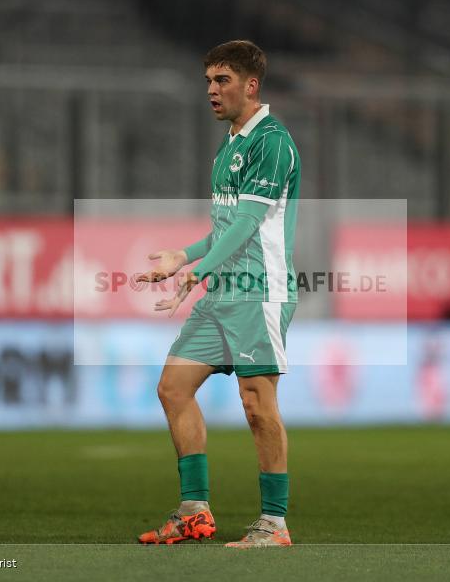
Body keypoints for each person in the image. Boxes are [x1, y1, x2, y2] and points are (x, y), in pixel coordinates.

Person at [135, 40, 300, 547]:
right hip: (222, 293)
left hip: (259, 292)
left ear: (251, 85)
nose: (211, 89)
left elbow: (249, 224)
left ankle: (274, 523)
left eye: (222, 80)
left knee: (257, 404)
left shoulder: (272, 142)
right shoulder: (230, 145)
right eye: (208, 80)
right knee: (173, 388)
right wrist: (184, 257)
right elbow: (225, 228)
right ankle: (194, 512)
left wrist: (198, 271)